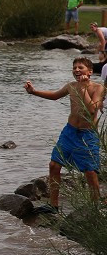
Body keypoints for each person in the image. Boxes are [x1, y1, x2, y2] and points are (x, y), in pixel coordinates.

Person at [24, 57, 104, 213]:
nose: (76, 70)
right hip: (70, 132)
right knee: (54, 165)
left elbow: (92, 110)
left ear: (90, 71)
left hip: (88, 135)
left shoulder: (98, 88)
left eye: (80, 67)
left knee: (90, 171)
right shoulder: (70, 86)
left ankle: (95, 208)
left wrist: (82, 88)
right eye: (74, 68)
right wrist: (33, 92)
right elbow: (54, 95)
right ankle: (53, 206)